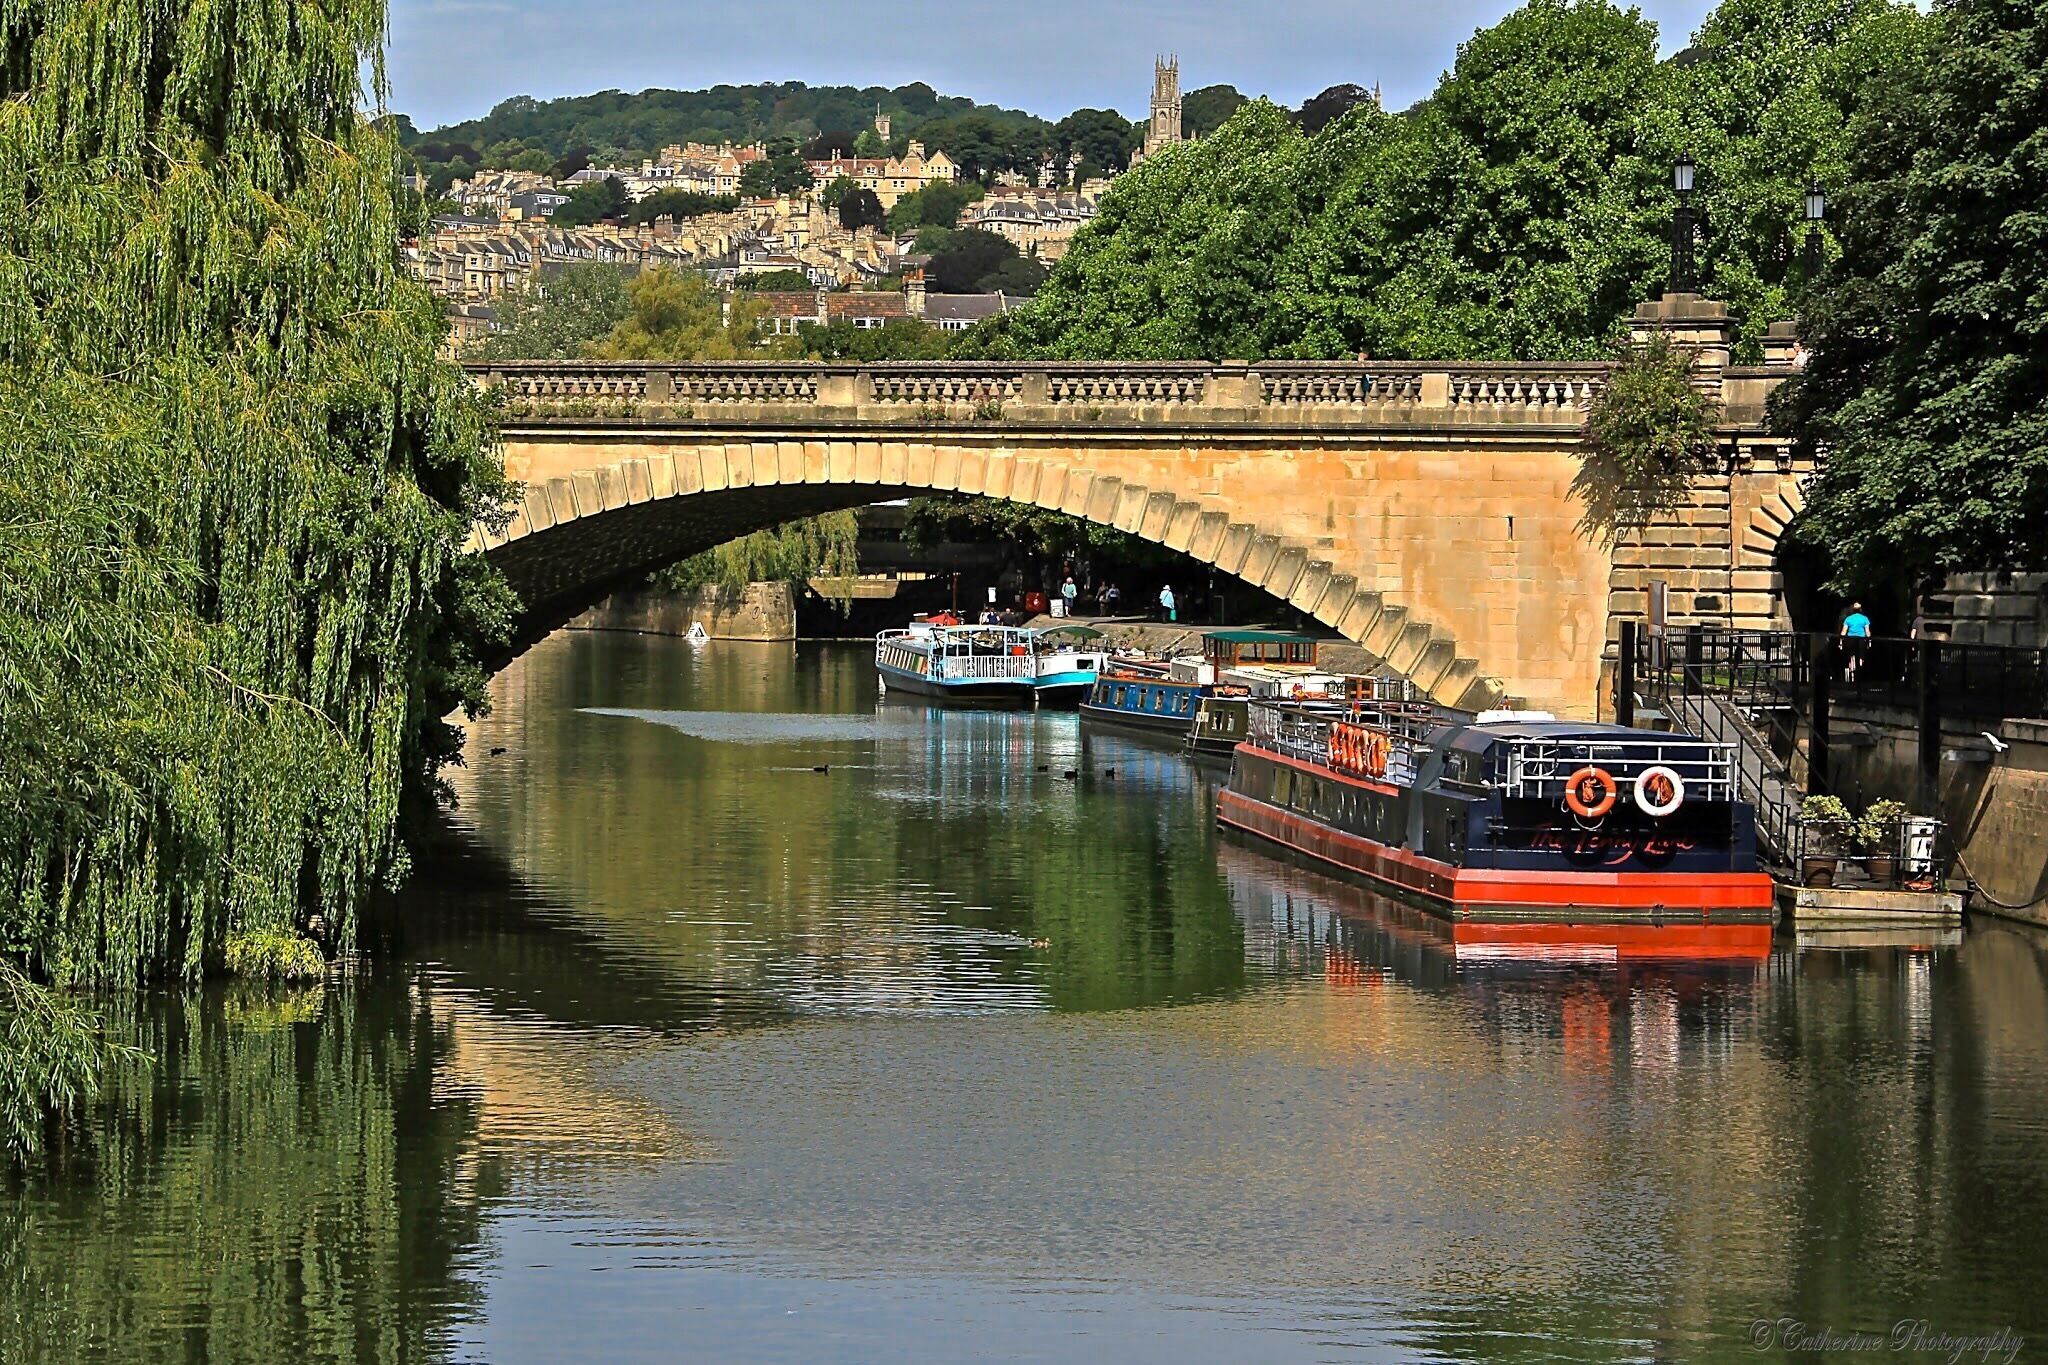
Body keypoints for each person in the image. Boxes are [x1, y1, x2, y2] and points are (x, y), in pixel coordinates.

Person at [1841, 601, 1872, 681]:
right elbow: (1867, 631)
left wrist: (1841, 641)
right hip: (1861, 639)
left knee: (1852, 655)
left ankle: (1852, 672)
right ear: (1860, 609)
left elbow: (1843, 631)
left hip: (1850, 639)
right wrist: (1869, 641)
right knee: (1861, 655)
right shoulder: (1865, 618)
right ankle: (1859, 672)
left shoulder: (1848, 619)